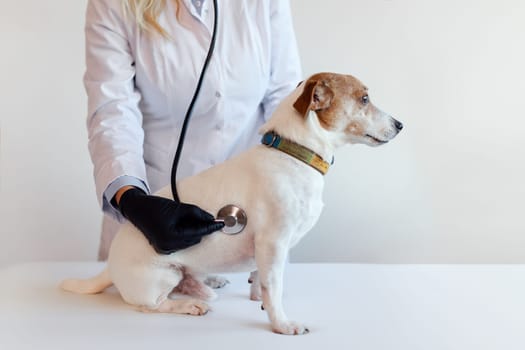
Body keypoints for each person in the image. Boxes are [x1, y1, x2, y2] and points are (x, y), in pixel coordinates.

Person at [85, 0, 302, 260]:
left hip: (248, 223)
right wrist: (131, 200)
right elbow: (113, 110)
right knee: (145, 298)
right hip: (154, 216)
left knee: (249, 299)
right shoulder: (112, 4)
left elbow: (286, 100)